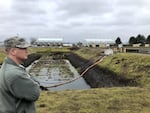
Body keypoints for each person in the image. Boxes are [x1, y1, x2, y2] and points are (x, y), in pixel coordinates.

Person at [0, 36, 41, 113]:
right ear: (13, 51)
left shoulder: (8, 67)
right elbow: (35, 94)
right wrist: (36, 84)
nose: (27, 51)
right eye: (23, 48)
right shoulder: (15, 74)